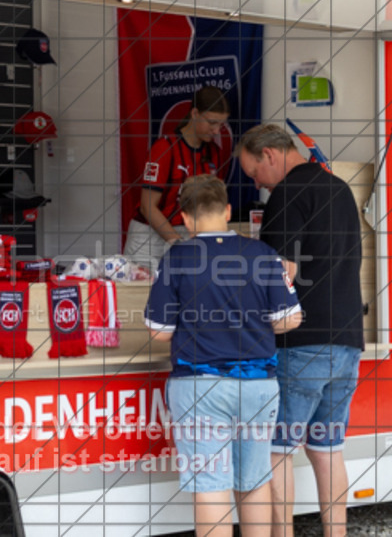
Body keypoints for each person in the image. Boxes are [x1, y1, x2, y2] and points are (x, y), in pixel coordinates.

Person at [145, 174, 302, 537]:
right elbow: (290, 319)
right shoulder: (263, 254)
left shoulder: (177, 258)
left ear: (185, 218)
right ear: (228, 211)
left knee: (211, 484)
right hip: (258, 387)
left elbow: (159, 331)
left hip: (200, 387)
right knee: (254, 480)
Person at [235, 124, 364, 537]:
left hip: (302, 344)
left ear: (270, 155)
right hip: (347, 341)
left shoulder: (287, 194)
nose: (257, 183)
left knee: (278, 451)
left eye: (254, 172)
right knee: (328, 450)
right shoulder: (339, 188)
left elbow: (281, 275)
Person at [125, 86, 231, 269]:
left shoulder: (214, 153)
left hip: (189, 234)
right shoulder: (164, 148)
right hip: (150, 237)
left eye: (220, 125)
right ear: (195, 113)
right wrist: (177, 243)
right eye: (212, 122)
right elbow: (147, 207)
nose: (216, 130)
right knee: (143, 287)